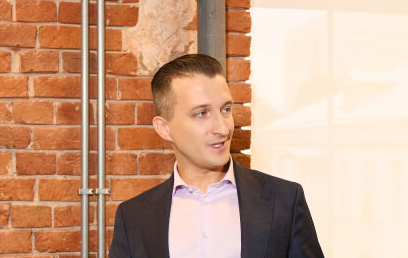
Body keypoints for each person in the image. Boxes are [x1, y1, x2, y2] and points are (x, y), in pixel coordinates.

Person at [109, 53, 324, 258]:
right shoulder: (133, 217)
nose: (222, 128)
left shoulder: (284, 200)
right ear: (164, 128)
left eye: (226, 110)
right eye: (202, 113)